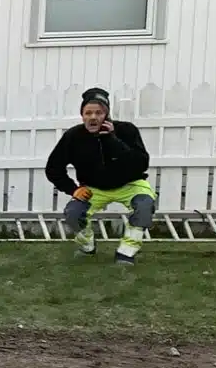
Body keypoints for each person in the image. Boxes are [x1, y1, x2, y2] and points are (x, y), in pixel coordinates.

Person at [45, 88, 155, 263]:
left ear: (107, 115)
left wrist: (112, 139)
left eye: (99, 113)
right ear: (82, 115)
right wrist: (73, 190)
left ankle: (126, 252)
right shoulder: (73, 136)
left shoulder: (126, 130)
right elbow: (53, 168)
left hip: (131, 184)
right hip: (93, 188)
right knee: (73, 213)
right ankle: (87, 246)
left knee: (144, 206)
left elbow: (141, 163)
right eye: (88, 113)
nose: (93, 117)